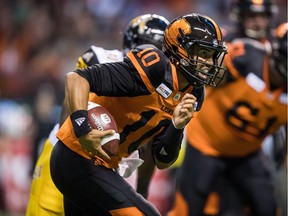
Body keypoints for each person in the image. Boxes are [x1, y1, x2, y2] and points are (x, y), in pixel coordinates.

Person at [50, 13, 228, 215]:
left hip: (102, 164)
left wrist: (177, 127)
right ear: (181, 49)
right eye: (203, 53)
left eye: (212, 54)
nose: (209, 62)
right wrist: (83, 130)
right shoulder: (155, 68)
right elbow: (77, 78)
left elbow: (162, 160)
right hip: (78, 155)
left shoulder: (194, 93)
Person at [25, 14, 169, 216]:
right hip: (71, 152)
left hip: (115, 166)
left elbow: (148, 156)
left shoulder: (167, 93)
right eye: (147, 45)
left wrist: (140, 192)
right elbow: (69, 110)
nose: (153, 53)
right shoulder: (103, 59)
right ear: (131, 44)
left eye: (160, 48)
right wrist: (83, 130)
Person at [167, 4, 287, 216]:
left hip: (247, 153)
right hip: (206, 143)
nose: (257, 22)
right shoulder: (245, 55)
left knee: (267, 205)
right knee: (188, 209)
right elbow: (206, 74)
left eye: (261, 17)